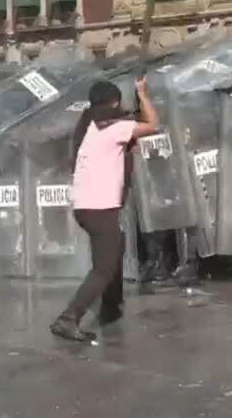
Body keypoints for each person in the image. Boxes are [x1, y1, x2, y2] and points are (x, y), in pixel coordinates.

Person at [50, 76, 159, 342]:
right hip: (100, 208)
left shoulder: (90, 124)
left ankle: (111, 305)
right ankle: (68, 318)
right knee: (103, 268)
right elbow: (152, 124)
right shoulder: (111, 127)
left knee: (114, 250)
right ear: (114, 102)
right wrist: (142, 93)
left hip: (87, 207)